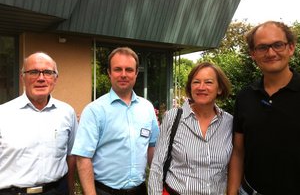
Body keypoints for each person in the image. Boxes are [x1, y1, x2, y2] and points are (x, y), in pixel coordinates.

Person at [71, 47, 160, 195]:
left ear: (136, 73)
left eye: (129, 70)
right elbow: (83, 158)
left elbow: (152, 148)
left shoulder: (147, 108)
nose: (123, 75)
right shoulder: (95, 110)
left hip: (140, 191)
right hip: (105, 191)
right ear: (109, 73)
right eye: (118, 69)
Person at [227, 21, 299, 195]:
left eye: (278, 45)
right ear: (253, 54)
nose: (271, 52)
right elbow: (238, 152)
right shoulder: (245, 97)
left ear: (291, 48)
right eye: (262, 47)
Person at [148, 62, 233, 195]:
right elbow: (157, 166)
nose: (201, 87)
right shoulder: (173, 117)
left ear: (220, 88)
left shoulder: (229, 122)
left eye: (209, 82)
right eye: (196, 82)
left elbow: (232, 168)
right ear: (190, 87)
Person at [0, 52, 78, 195]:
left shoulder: (67, 113)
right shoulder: (3, 114)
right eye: (34, 72)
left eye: (48, 72)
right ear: (22, 77)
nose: (41, 78)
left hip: (57, 190)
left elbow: (71, 156)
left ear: (55, 79)